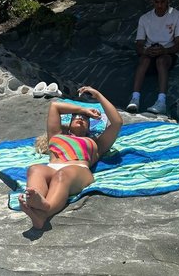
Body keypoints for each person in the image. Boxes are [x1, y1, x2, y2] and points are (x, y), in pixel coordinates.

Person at [18, 86, 122, 229]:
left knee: (62, 175)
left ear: (89, 126)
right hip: (52, 168)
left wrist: (98, 95)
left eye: (85, 119)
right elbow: (55, 106)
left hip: (78, 170)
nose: (80, 118)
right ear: (69, 123)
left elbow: (117, 122)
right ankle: (36, 205)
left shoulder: (95, 143)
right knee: (35, 169)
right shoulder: (56, 135)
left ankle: (45, 211)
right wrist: (84, 110)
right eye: (76, 117)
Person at [127, 0, 179, 115]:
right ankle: (135, 98)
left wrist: (165, 50)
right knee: (144, 60)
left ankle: (161, 102)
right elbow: (139, 44)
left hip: (167, 54)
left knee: (161, 60)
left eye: (163, 2)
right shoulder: (145, 18)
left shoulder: (177, 16)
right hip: (149, 54)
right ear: (152, 0)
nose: (159, 5)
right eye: (156, 2)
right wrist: (145, 51)